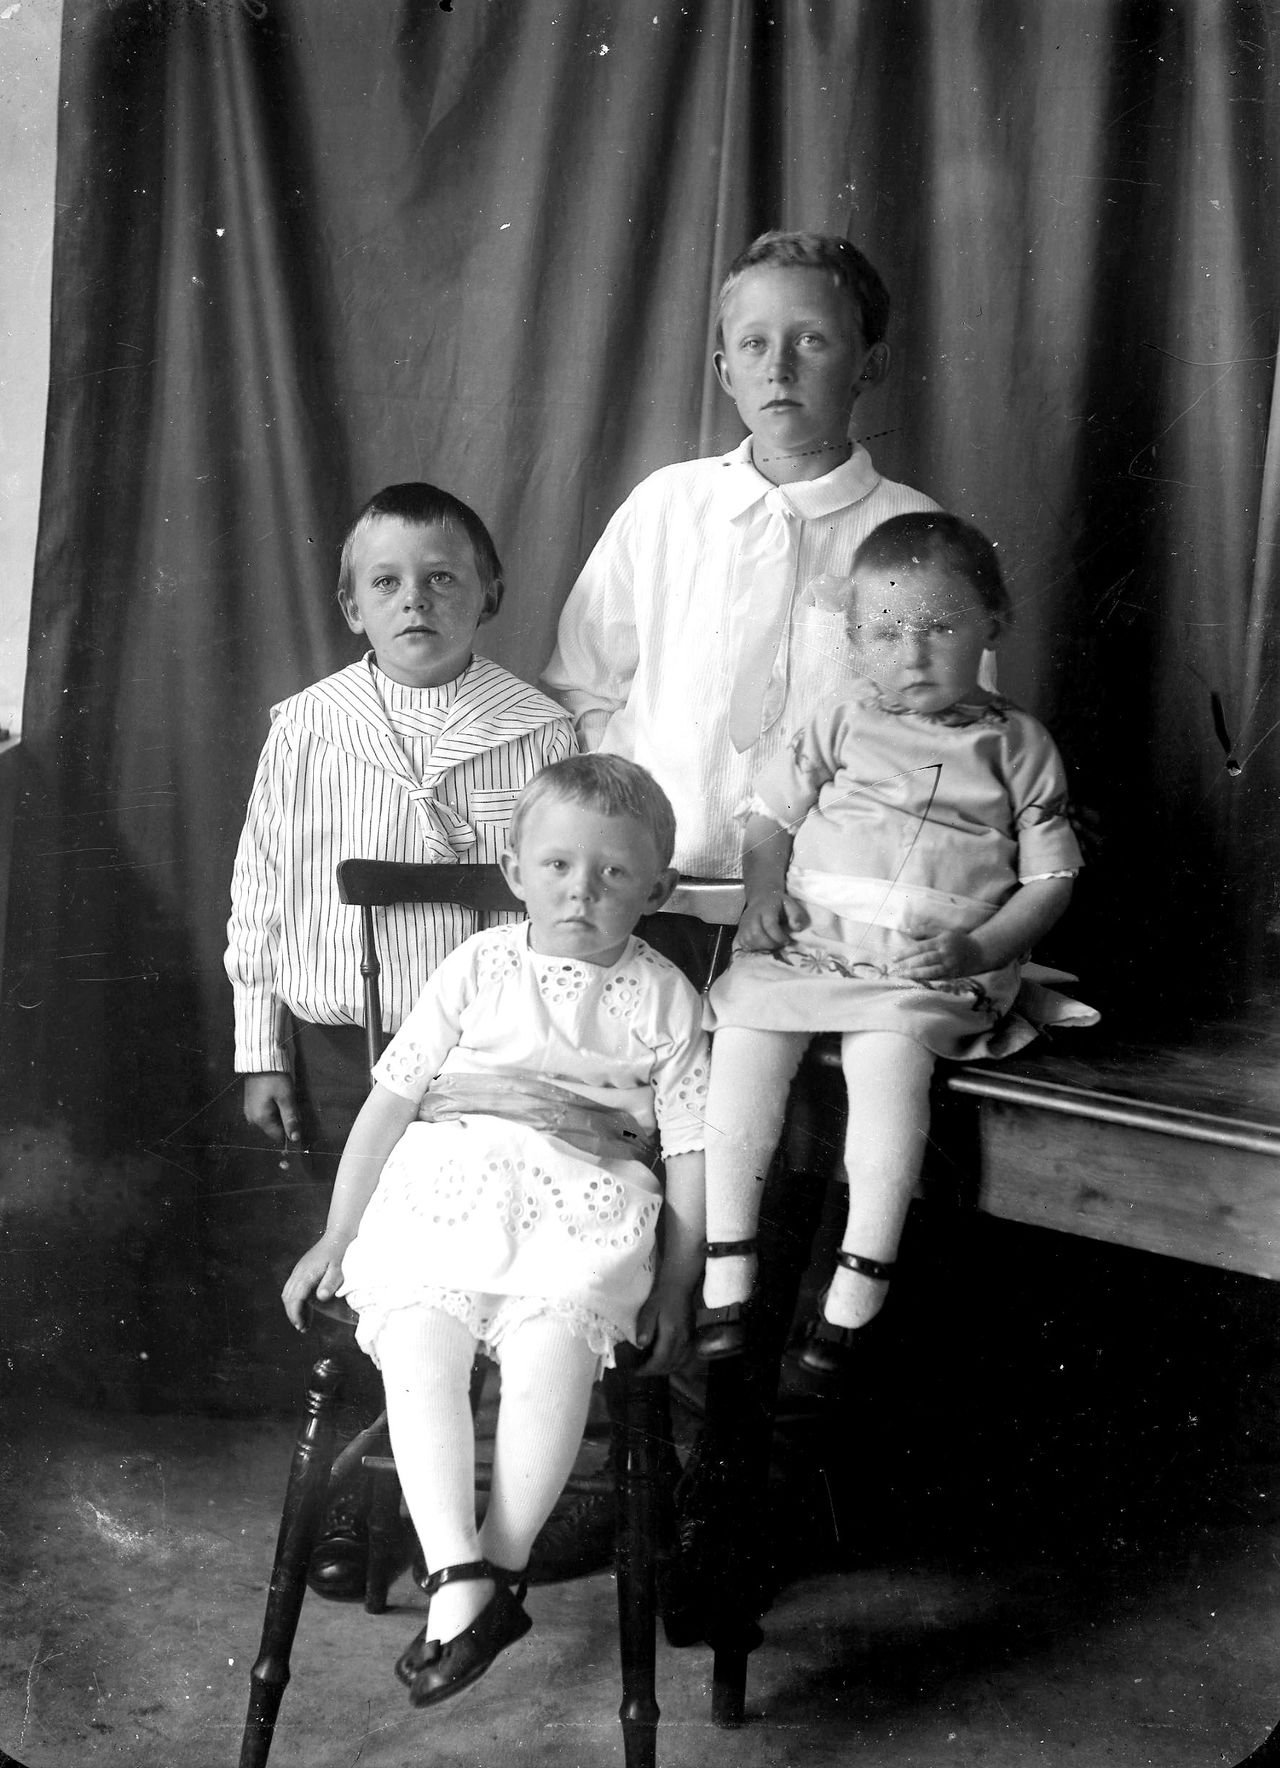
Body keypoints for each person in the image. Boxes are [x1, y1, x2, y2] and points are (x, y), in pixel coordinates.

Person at [281, 754, 708, 1707]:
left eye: (614, 873)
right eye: (557, 866)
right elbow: (390, 1104)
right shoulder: (478, 966)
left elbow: (691, 1149)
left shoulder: (666, 997)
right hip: (450, 1181)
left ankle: (498, 1569)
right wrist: (338, 1234)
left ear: (658, 889)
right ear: (515, 871)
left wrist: (680, 1282)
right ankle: (457, 1571)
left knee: (556, 1342)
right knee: (419, 1338)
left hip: (584, 1201)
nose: (582, 891)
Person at [226, 480, 575, 1594]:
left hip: (488, 1061)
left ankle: (471, 1513)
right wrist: (260, 1045)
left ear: (489, 595)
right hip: (344, 1043)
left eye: (441, 579)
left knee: (481, 1264)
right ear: (352, 606)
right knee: (378, 1275)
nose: (414, 600)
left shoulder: (539, 728)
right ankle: (366, 1508)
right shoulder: (308, 725)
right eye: (387, 583)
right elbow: (261, 893)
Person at [694, 512, 1095, 1386]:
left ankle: (860, 1277)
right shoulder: (839, 717)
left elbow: (1050, 882)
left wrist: (977, 949)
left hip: (926, 962)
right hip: (815, 943)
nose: (912, 655)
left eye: (940, 627)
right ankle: (728, 1262)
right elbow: (769, 820)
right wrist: (764, 896)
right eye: (886, 633)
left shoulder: (1019, 745)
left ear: (994, 623)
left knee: (888, 1061)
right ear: (853, 640)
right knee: (745, 1035)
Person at [543, 230, 944, 975]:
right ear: (726, 372)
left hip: (829, 912)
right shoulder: (665, 506)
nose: (779, 368)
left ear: (870, 364)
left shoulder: (913, 535)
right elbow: (583, 684)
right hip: (650, 902)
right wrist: (629, 820)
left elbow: (948, 730)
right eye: (754, 344)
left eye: (812, 340)